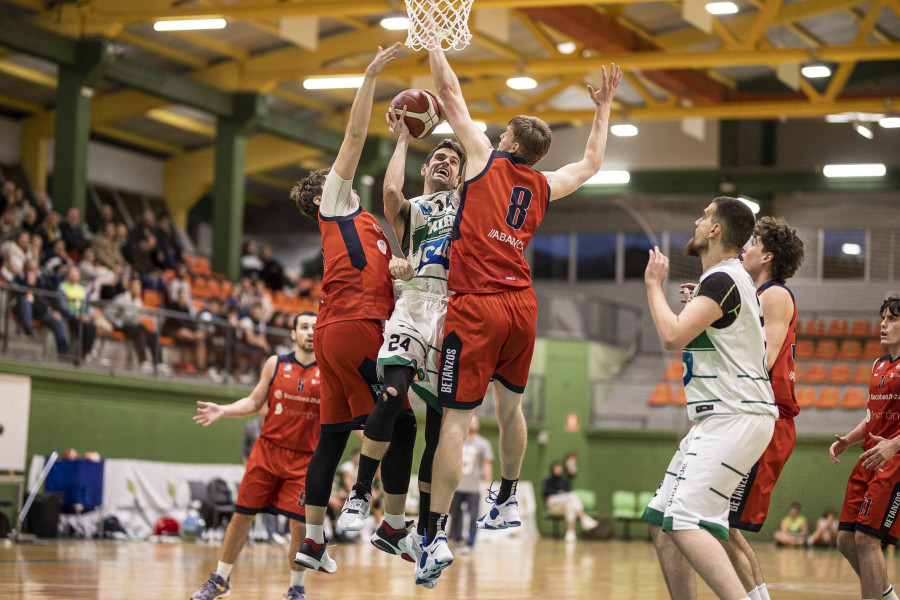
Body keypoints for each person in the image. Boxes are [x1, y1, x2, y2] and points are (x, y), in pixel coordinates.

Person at [416, 43, 622, 587]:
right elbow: (593, 163)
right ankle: (506, 496)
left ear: (508, 141)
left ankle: (434, 535)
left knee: (456, 421)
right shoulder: (544, 185)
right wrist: (602, 110)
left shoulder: (483, 159)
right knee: (511, 409)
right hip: (523, 305)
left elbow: (450, 93)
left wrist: (434, 41)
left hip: (476, 303)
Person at [290, 43, 407, 575]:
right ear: (323, 196)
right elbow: (355, 137)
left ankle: (313, 542)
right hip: (355, 327)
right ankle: (379, 512)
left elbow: (381, 277)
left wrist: (402, 275)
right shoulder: (335, 204)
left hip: (340, 331)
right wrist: (369, 75)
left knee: (332, 436)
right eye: (330, 176)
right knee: (398, 419)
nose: (339, 175)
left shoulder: (369, 231)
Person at [336, 111, 464, 571]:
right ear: (426, 171)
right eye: (439, 159)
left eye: (453, 160)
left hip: (453, 317)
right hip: (413, 305)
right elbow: (390, 192)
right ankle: (357, 494)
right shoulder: (413, 208)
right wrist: (404, 140)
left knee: (439, 430)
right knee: (391, 396)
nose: (446, 163)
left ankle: (428, 534)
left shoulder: (468, 205)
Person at [640, 197, 776, 600]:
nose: (697, 222)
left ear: (716, 229)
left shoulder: (723, 279)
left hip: (736, 414)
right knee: (663, 521)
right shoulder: (722, 281)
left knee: (684, 519)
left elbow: (670, 337)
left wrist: (652, 285)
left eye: (704, 217)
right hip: (723, 416)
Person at [191, 312, 321, 600]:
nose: (310, 332)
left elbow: (345, 415)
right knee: (241, 517)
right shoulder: (276, 364)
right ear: (293, 333)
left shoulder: (330, 369)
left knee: (299, 525)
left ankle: (296, 588)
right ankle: (220, 580)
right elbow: (253, 401)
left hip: (304, 460)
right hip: (267, 453)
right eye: (303, 327)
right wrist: (223, 410)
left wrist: (371, 437)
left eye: (315, 327)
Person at [718, 216, 805, 600]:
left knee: (721, 524)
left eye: (752, 242)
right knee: (719, 523)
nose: (745, 247)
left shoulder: (774, 294)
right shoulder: (757, 295)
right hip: (753, 417)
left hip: (766, 421)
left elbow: (764, 358)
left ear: (767, 255)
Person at [830, 295, 900, 600]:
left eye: (893, 319)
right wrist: (850, 438)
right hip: (870, 457)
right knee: (845, 539)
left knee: (866, 538)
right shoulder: (879, 363)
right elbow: (872, 416)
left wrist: (894, 445)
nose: (883, 325)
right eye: (883, 318)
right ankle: (885, 595)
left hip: (894, 460)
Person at [243, 404, 286, 546]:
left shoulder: (274, 426)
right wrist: (248, 468)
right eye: (264, 407)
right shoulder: (250, 427)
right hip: (254, 469)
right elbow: (244, 451)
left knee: (271, 503)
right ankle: (246, 535)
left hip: (271, 470)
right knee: (250, 503)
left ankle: (271, 534)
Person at [449, 415, 494, 552]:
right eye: (470, 422)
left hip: (473, 487)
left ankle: (470, 543)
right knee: (455, 513)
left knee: (474, 515)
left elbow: (486, 464)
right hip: (457, 485)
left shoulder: (483, 443)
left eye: (475, 422)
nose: (472, 425)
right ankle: (456, 539)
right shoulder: (458, 441)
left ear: (478, 425)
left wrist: (488, 483)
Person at [542, 460, 599, 543]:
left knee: (570, 504)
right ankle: (584, 518)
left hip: (564, 504)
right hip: (553, 505)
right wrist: (558, 493)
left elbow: (568, 492)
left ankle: (570, 532)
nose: (558, 469)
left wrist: (560, 494)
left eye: (559, 468)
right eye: (556, 468)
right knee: (571, 496)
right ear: (553, 469)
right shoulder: (548, 481)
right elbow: (546, 493)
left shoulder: (565, 481)